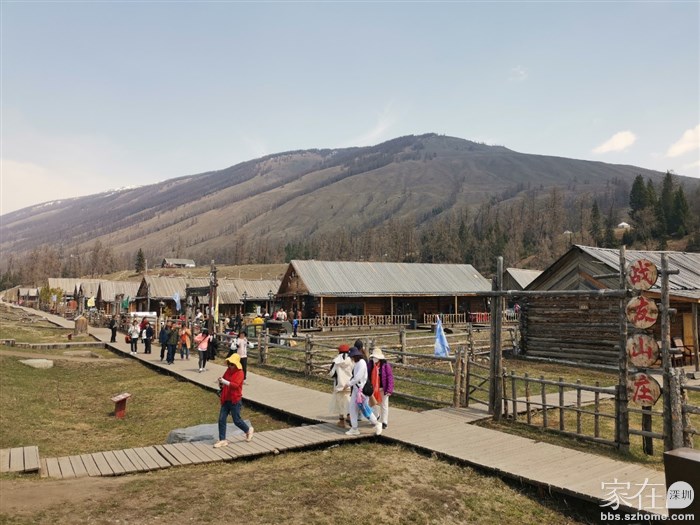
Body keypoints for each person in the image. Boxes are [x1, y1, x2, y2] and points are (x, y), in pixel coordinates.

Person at [214, 354, 253, 447]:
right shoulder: (228, 370)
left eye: (232, 364)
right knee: (221, 419)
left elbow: (235, 385)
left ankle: (248, 430)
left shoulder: (240, 373)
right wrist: (221, 382)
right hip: (226, 398)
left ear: (236, 364)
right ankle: (222, 440)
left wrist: (224, 381)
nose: (230, 366)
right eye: (229, 364)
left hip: (235, 399)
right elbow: (224, 381)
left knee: (236, 420)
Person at [344, 347, 382, 436]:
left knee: (364, 408)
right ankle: (354, 428)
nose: (351, 358)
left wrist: (348, 384)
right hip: (356, 390)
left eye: (352, 357)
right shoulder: (357, 363)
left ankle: (377, 423)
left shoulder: (361, 363)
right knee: (353, 408)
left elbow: (357, 377)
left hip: (360, 390)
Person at [367, 347, 394, 429]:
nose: (374, 359)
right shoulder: (370, 364)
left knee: (384, 405)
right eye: (373, 357)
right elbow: (367, 375)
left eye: (376, 357)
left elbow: (390, 377)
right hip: (373, 388)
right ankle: (376, 417)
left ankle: (384, 422)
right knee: (372, 403)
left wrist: (389, 389)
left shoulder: (385, 366)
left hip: (383, 388)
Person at [328, 344, 353, 427]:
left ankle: (342, 421)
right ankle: (349, 416)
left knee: (340, 403)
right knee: (349, 401)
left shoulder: (336, 361)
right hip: (349, 385)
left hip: (339, 385)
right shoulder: (351, 361)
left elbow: (331, 373)